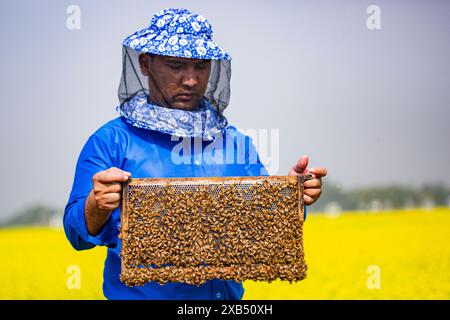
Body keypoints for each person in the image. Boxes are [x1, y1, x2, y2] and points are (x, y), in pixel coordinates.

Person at [63, 7, 327, 300]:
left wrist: (289, 195)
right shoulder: (111, 141)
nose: (191, 80)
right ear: (146, 64)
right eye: (176, 65)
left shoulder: (236, 143)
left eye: (201, 66)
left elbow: (259, 225)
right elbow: (76, 234)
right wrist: (96, 205)